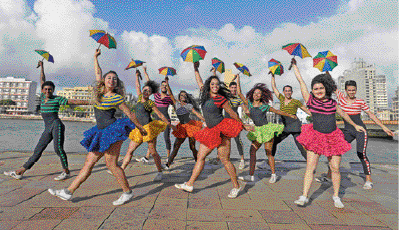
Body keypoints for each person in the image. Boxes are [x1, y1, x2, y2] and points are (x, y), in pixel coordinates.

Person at [47, 49, 147, 206]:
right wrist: (95, 57)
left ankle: (127, 192)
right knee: (88, 163)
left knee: (111, 165)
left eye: (115, 79)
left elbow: (129, 113)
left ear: (117, 83)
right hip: (100, 132)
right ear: (104, 81)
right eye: (109, 78)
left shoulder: (117, 97)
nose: (112, 80)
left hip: (113, 131)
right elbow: (98, 72)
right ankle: (68, 192)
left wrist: (140, 127)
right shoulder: (98, 95)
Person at [291, 58, 366, 208]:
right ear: (312, 91)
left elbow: (344, 114)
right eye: (315, 89)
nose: (318, 91)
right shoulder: (310, 101)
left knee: (335, 169)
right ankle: (304, 196)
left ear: (326, 88)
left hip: (333, 137)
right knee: (310, 168)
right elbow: (301, 83)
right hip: (316, 136)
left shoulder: (333, 103)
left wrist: (355, 125)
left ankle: (336, 196)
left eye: (321, 88)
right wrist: (295, 67)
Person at [174, 61, 253, 199]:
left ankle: (236, 186)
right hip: (210, 131)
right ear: (208, 86)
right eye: (212, 84)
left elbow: (233, 114)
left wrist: (243, 124)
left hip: (221, 130)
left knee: (225, 160)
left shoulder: (220, 98)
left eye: (217, 84)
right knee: (201, 156)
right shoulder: (204, 95)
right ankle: (190, 184)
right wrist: (195, 68)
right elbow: (198, 81)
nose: (215, 86)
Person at [4, 60, 89, 181]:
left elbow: (73, 101)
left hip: (57, 125)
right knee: (37, 150)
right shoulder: (43, 97)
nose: (47, 91)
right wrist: (42, 67)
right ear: (43, 90)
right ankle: (21, 171)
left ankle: (66, 171)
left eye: (50, 89)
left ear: (53, 90)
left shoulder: (57, 99)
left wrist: (91, 102)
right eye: (46, 89)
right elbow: (42, 79)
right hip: (47, 128)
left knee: (58, 149)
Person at [316, 79, 395, 189]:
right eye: (350, 90)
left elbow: (370, 114)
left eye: (354, 90)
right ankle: (329, 176)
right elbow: (331, 84)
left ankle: (368, 180)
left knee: (361, 153)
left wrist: (383, 127)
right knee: (334, 151)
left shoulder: (360, 101)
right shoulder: (341, 98)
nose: (352, 92)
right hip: (348, 130)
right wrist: (326, 73)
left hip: (360, 130)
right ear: (346, 90)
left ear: (356, 90)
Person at [236, 74, 297, 183]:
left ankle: (273, 174)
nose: (256, 95)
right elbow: (239, 93)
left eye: (259, 93)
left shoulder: (265, 106)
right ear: (252, 94)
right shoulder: (249, 104)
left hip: (266, 130)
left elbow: (278, 111)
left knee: (268, 152)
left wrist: (290, 115)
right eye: (255, 93)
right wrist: (238, 79)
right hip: (257, 131)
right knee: (252, 151)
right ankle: (251, 175)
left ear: (261, 95)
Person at [119, 67, 174, 181]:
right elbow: (137, 86)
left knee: (153, 152)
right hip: (138, 129)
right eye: (145, 89)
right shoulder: (139, 98)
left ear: (150, 93)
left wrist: (169, 124)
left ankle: (159, 172)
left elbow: (159, 114)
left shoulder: (150, 102)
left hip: (148, 129)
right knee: (130, 150)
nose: (146, 92)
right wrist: (136, 75)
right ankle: (121, 170)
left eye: (149, 91)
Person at [269, 72, 311, 163]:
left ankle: (310, 164)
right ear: (284, 92)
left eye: (289, 91)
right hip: (285, 126)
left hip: (295, 125)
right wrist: (273, 76)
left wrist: (316, 115)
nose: (287, 92)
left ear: (291, 92)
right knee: (273, 142)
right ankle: (270, 161)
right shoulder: (281, 98)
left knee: (300, 146)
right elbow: (274, 88)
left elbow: (305, 109)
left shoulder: (296, 101)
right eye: (286, 91)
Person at [164, 77, 205, 169]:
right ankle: (168, 164)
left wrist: (205, 120)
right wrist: (167, 83)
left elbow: (197, 114)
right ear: (179, 97)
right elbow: (170, 94)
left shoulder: (189, 105)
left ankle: (198, 162)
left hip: (190, 126)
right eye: (182, 95)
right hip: (181, 128)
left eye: (185, 95)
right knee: (176, 146)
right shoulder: (176, 104)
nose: (183, 96)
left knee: (192, 147)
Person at [136, 67, 174, 163]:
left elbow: (172, 96)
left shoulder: (169, 98)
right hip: (156, 120)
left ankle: (168, 157)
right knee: (152, 139)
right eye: (163, 85)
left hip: (165, 119)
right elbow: (149, 83)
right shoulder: (156, 95)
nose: (164, 87)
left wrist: (168, 84)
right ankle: (147, 157)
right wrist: (145, 71)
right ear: (160, 87)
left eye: (165, 86)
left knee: (166, 138)